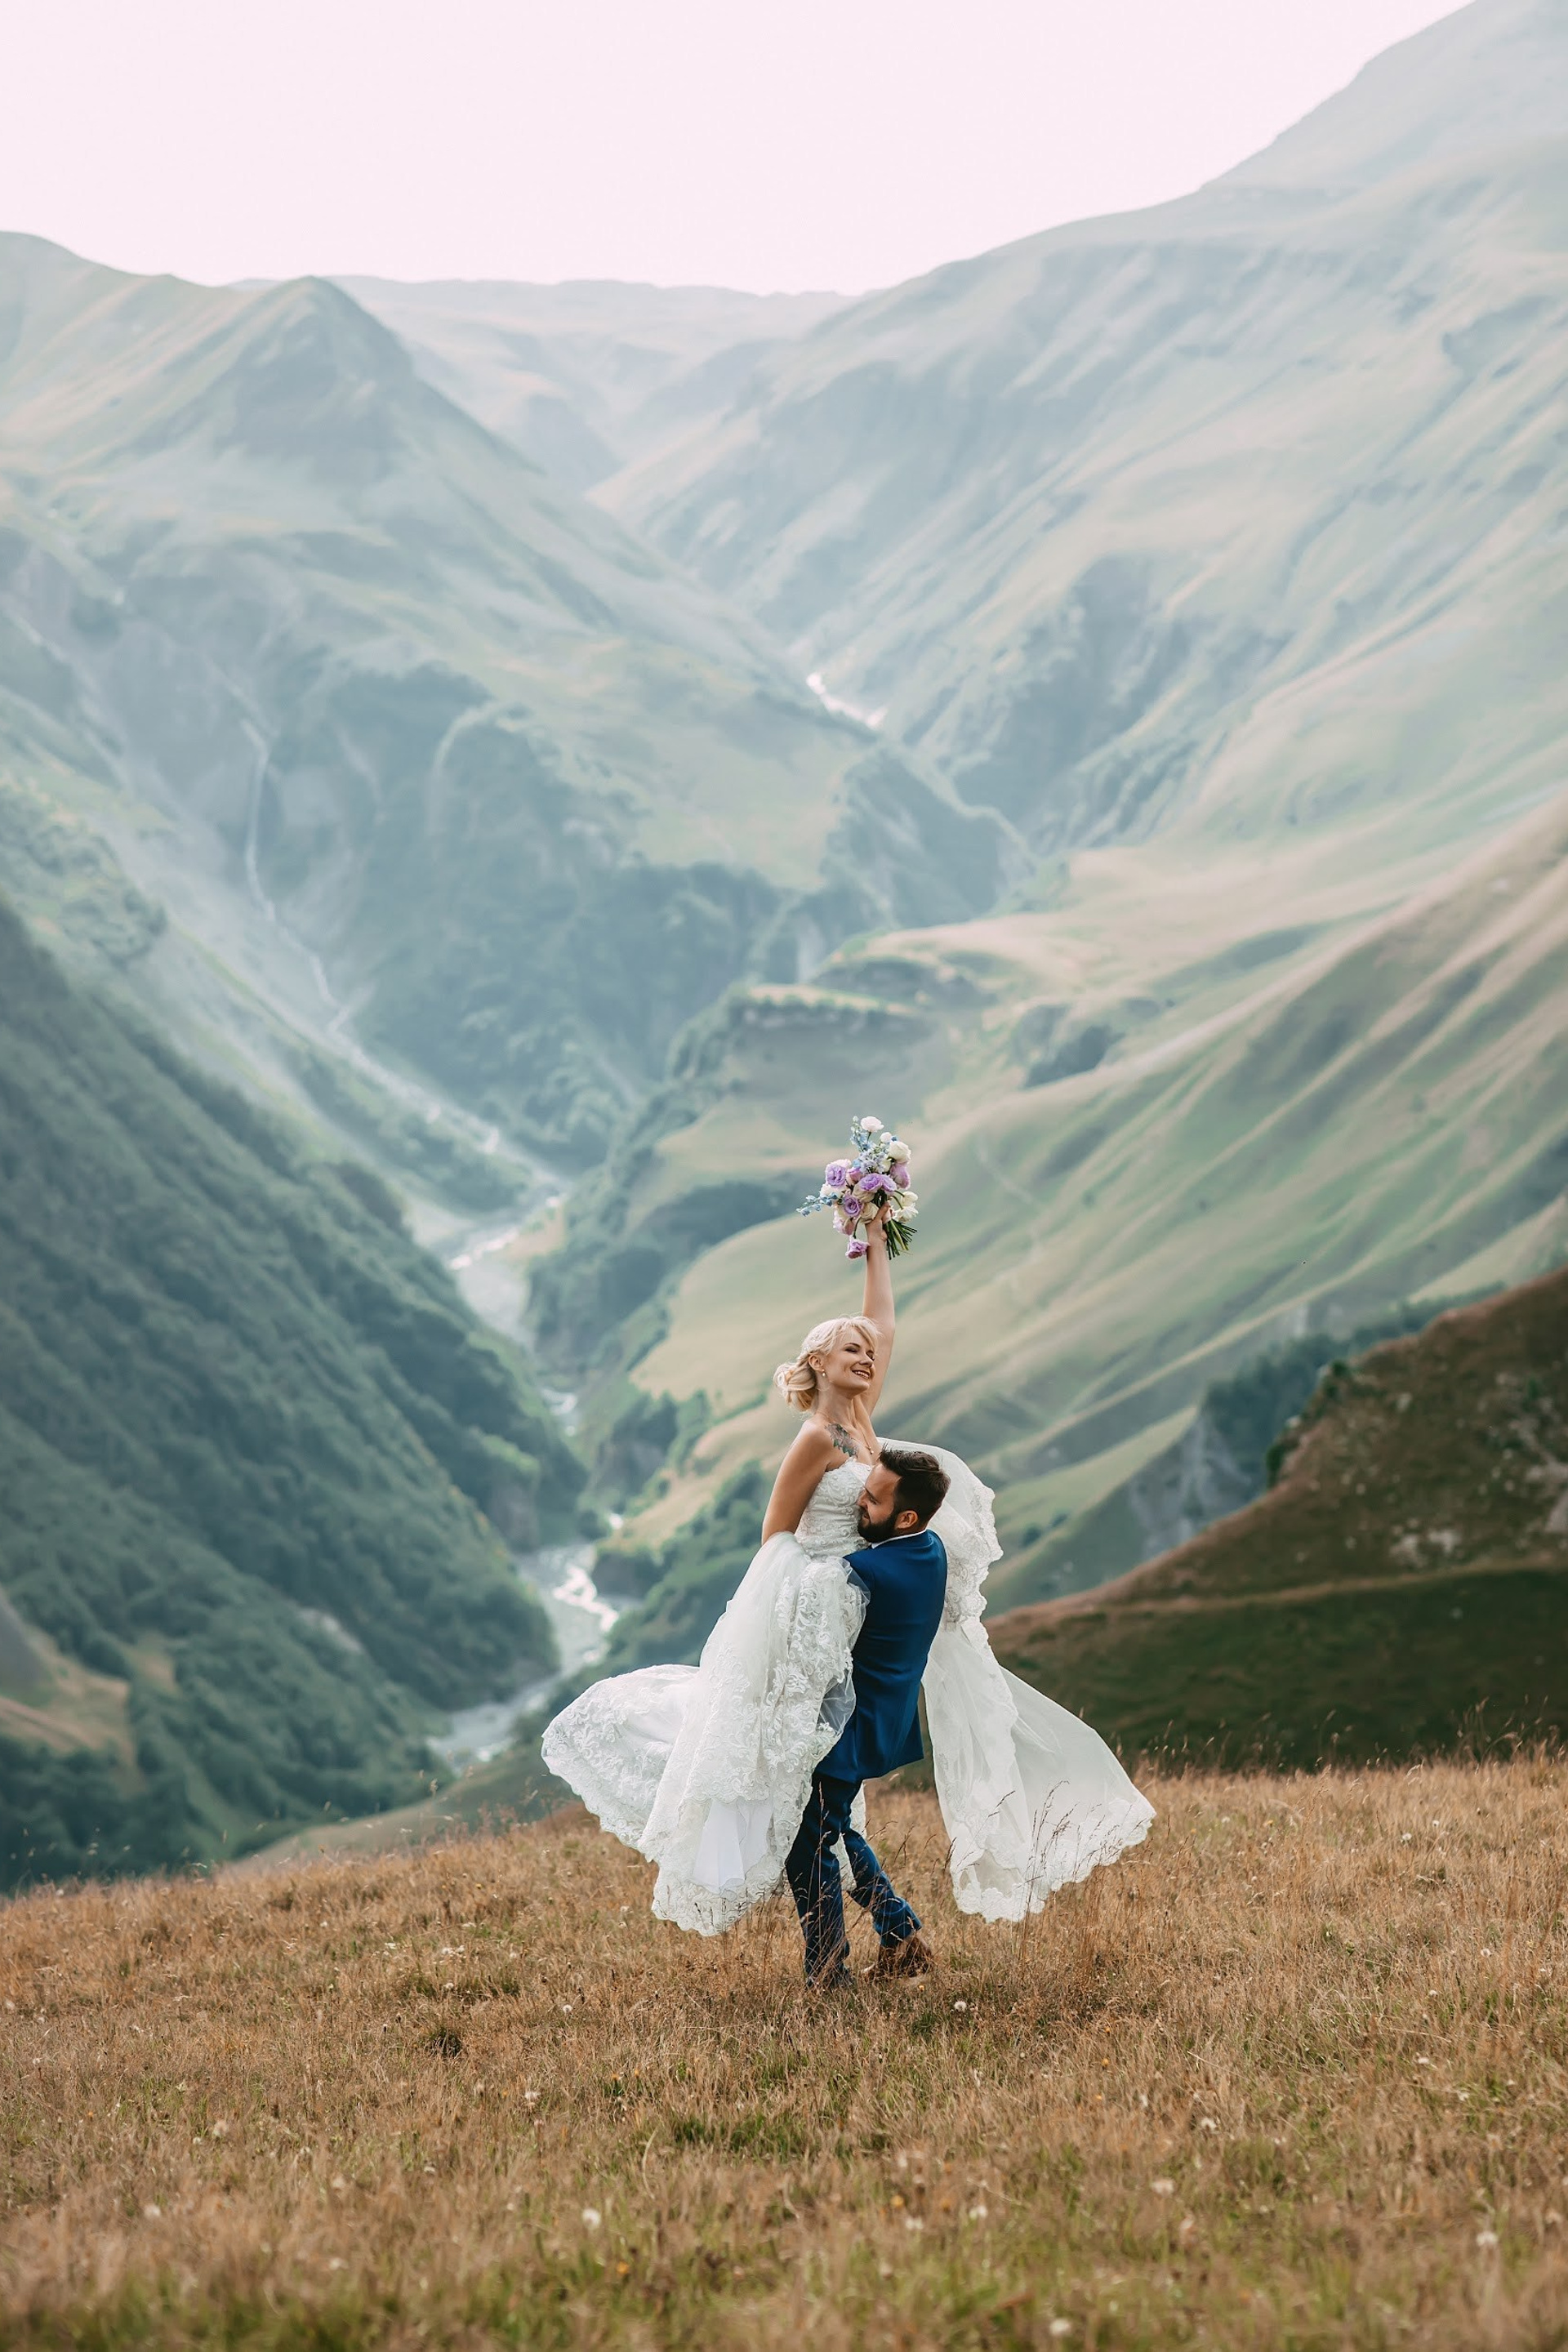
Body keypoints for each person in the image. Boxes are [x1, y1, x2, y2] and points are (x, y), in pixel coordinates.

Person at [541, 1204, 1153, 1972]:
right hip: (816, 1620)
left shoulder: (864, 1422)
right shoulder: (816, 1439)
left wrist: (874, 1235)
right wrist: (821, 1599)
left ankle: (863, 1946)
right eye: (849, 1348)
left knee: (818, 1802)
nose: (866, 1354)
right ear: (817, 1363)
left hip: (857, 1622)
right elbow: (775, 1536)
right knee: (814, 1801)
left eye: (867, 1350)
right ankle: (877, 1942)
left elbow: (885, 1325)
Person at [784, 1442, 951, 1988]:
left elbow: (817, 1656)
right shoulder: (931, 1549)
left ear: (904, 1515)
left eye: (873, 1499)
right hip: (886, 1720)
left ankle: (828, 1975)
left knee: (808, 1848)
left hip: (847, 1728)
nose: (860, 1503)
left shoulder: (860, 1572)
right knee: (834, 1833)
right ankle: (903, 1937)